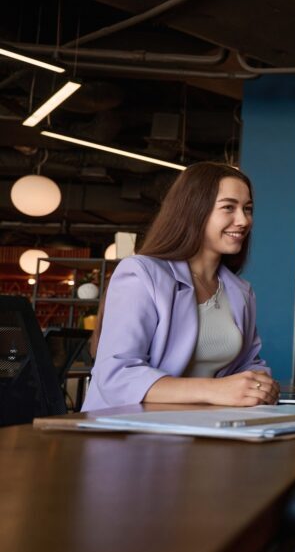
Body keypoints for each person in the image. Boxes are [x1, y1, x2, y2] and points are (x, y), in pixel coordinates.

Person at [82, 163, 280, 411]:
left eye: (247, 209)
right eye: (228, 207)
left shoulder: (240, 291)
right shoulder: (141, 273)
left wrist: (259, 384)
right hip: (130, 432)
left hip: (203, 427)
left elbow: (248, 364)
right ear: (194, 210)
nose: (243, 220)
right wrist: (215, 390)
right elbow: (116, 375)